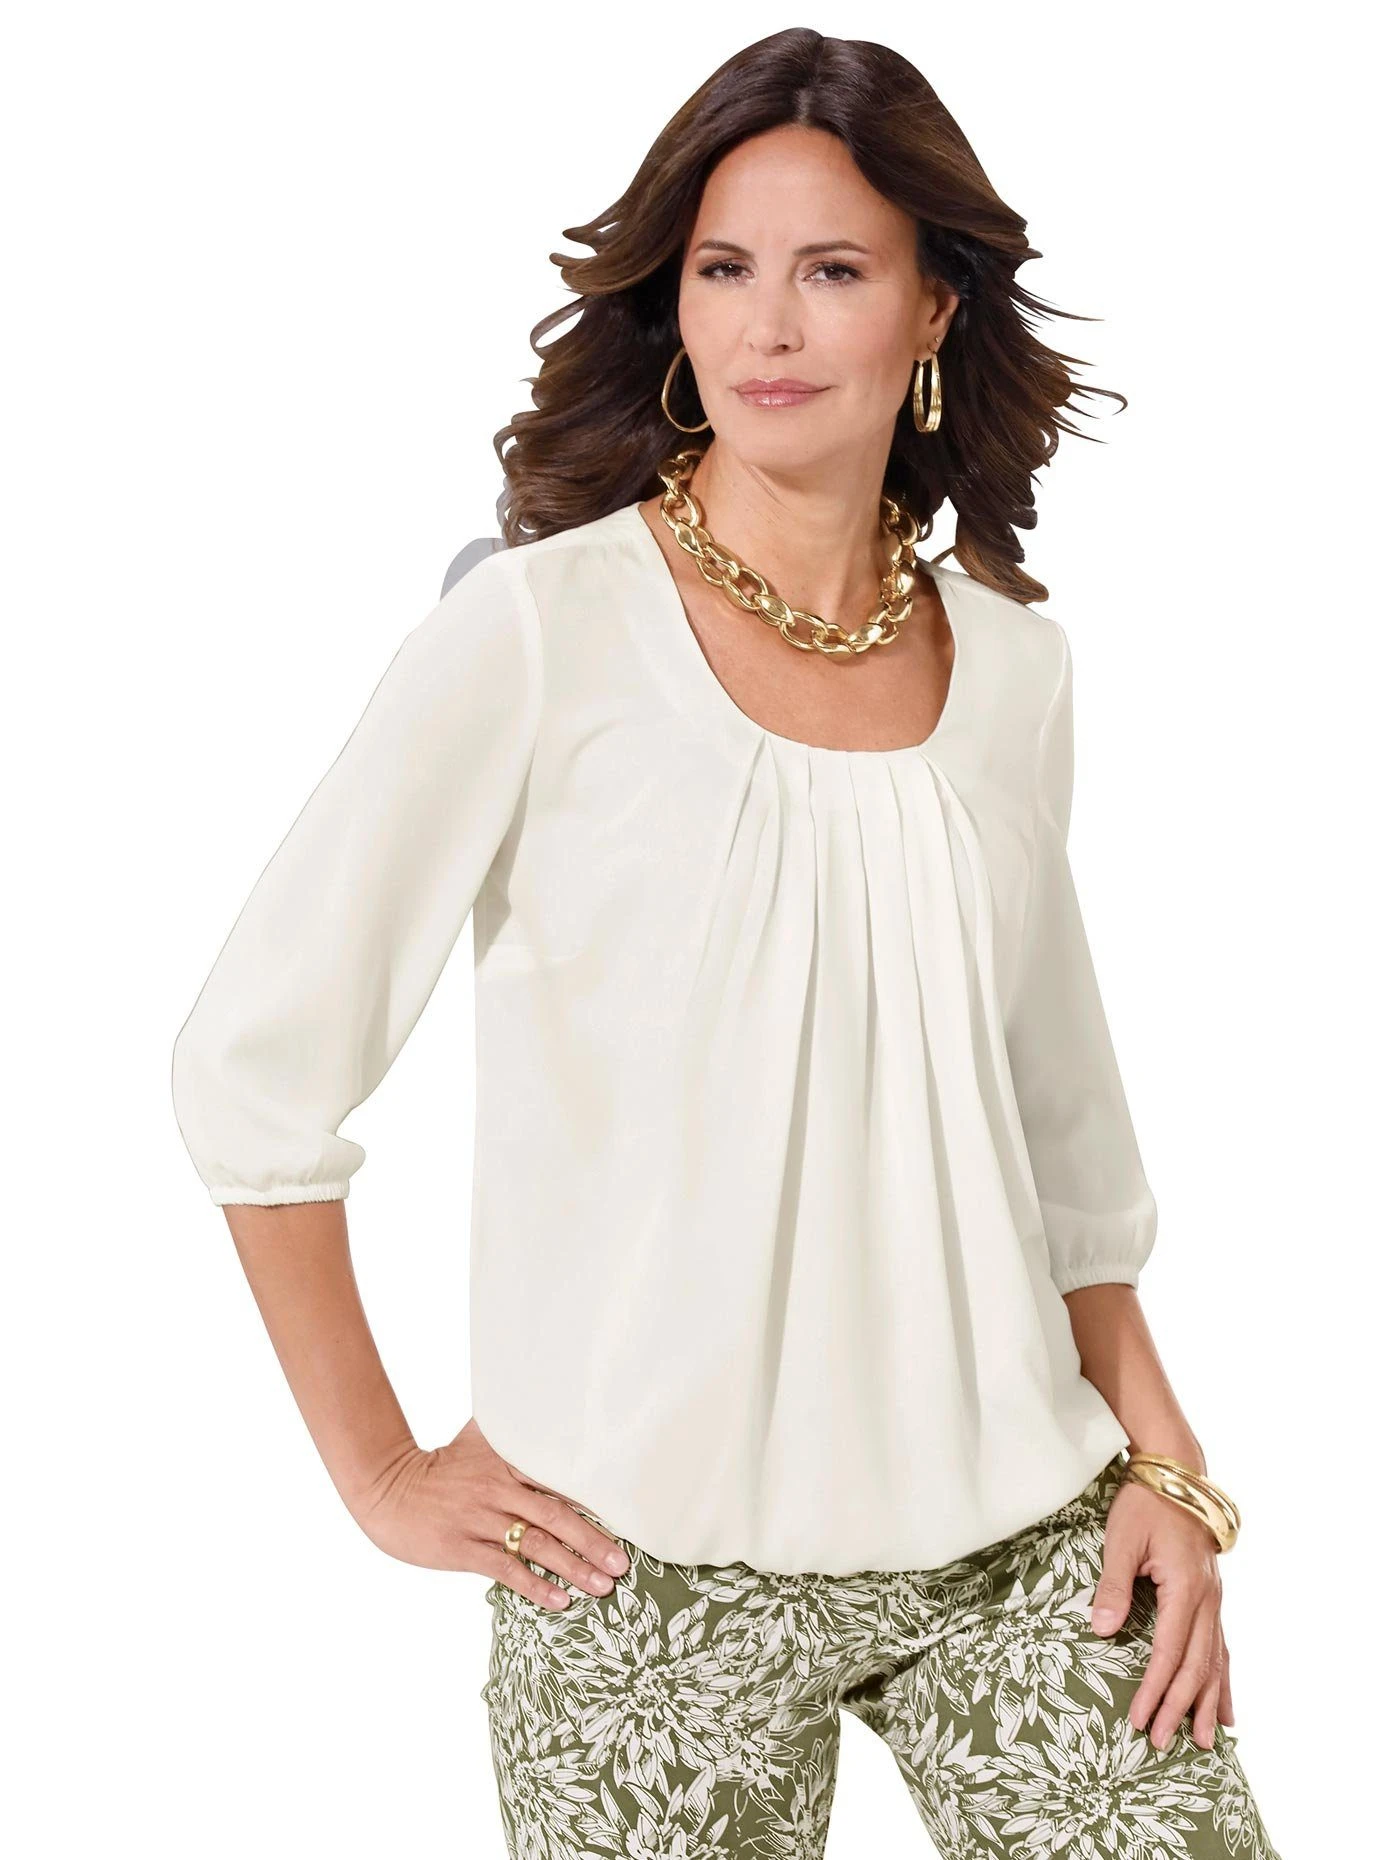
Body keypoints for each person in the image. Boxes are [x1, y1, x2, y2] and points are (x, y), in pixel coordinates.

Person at [170, 27, 1284, 1859]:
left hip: (1021, 1547)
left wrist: (1164, 1462)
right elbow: (251, 1073)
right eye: (722, 270)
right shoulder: (539, 632)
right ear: (673, 306)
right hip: (637, 1579)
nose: (767, 326)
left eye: (831, 270)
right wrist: (377, 1469)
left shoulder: (1015, 669)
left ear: (931, 310)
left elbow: (1056, 1135)